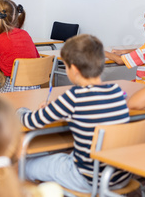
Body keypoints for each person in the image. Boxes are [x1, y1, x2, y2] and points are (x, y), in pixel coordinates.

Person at [16, 34, 131, 193]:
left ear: (74, 70)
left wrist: (19, 111)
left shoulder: (74, 97)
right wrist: (58, 109)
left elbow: (31, 121)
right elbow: (91, 109)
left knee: (23, 164)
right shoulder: (116, 91)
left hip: (86, 178)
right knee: (61, 154)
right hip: (120, 176)